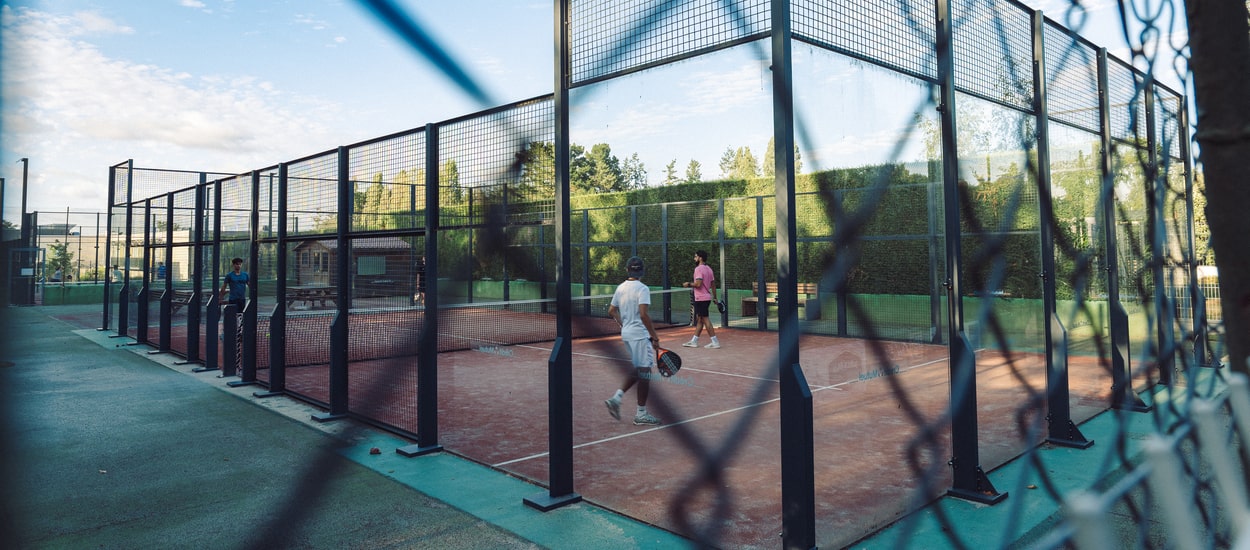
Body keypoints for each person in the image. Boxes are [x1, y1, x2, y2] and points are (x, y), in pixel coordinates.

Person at [604, 256, 662, 426]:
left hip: (627, 334)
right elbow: (643, 314)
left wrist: (623, 323)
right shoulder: (643, 289)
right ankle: (641, 414)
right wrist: (654, 336)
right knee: (645, 372)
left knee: (639, 369)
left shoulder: (620, 288)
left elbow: (611, 310)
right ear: (642, 271)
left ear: (627, 270)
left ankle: (616, 398)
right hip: (638, 335)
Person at [681, 250, 721, 349]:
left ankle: (715, 341)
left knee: (705, 319)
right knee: (700, 319)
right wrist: (715, 297)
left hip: (701, 298)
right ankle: (694, 341)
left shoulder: (698, 269)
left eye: (696, 256)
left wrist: (688, 284)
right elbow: (713, 285)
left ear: (700, 258)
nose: (694, 258)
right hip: (707, 298)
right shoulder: (709, 269)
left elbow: (698, 284)